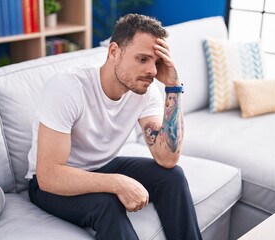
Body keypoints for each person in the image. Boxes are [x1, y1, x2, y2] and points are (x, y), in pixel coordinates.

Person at [26, 13, 202, 240]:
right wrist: (117, 183)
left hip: (101, 166)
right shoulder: (68, 88)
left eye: (156, 62)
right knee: (107, 203)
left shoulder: (145, 90)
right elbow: (48, 176)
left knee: (173, 176)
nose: (153, 71)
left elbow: (167, 158)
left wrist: (174, 87)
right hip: (50, 184)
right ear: (114, 52)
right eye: (142, 59)